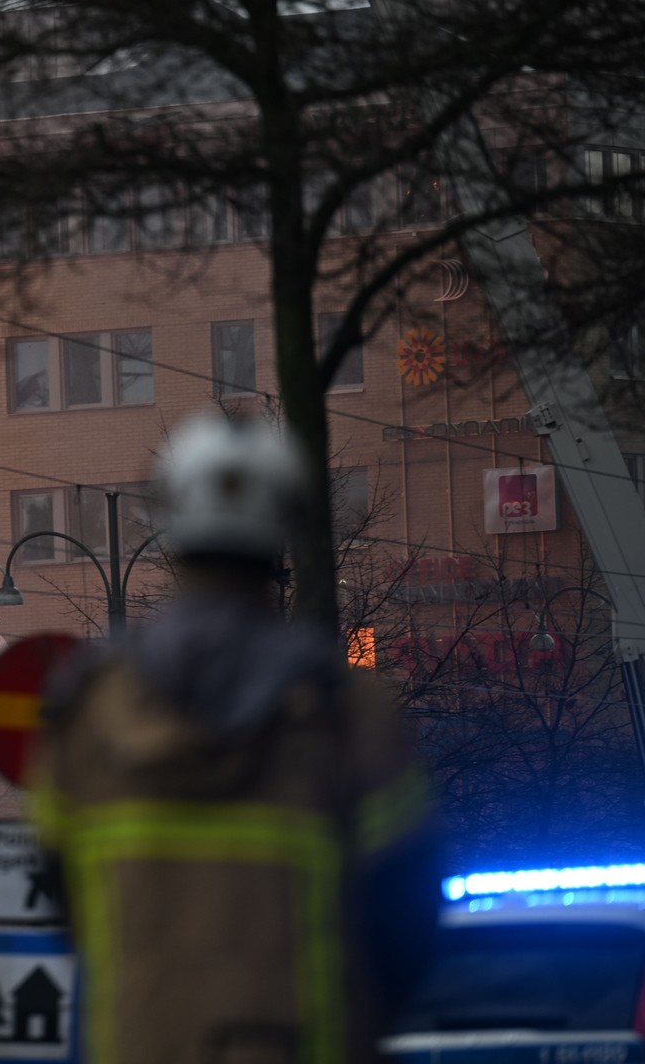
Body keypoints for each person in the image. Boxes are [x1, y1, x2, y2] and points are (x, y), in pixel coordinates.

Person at [29, 414, 436, 1064]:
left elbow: (62, 899)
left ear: (170, 522)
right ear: (285, 525)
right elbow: (406, 921)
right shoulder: (349, 712)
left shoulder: (86, 711)